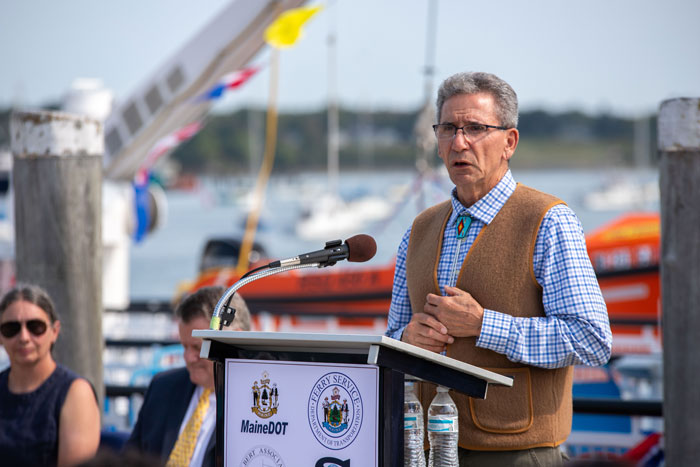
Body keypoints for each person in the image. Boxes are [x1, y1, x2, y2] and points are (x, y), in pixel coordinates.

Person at [385, 72, 612, 466]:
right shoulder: (418, 230)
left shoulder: (547, 220)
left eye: (475, 128)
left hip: (517, 453)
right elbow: (391, 341)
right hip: (425, 450)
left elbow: (592, 340)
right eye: (448, 129)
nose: (459, 142)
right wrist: (406, 339)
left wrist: (483, 325)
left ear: (510, 142)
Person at [125, 286, 251, 467]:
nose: (187, 358)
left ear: (235, 341)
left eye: (198, 348)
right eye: (184, 346)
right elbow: (130, 458)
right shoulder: (163, 387)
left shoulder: (258, 408)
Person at [0, 283, 100, 466]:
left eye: (35, 327)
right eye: (11, 329)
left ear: (54, 332)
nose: (24, 337)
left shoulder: (75, 393)